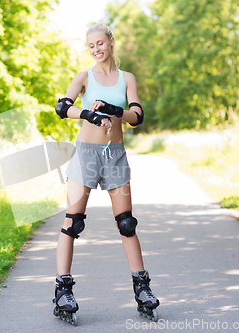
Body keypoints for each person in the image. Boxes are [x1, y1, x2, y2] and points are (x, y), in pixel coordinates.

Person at [52, 23, 160, 326]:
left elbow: (137, 116)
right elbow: (62, 107)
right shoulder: (83, 77)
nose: (96, 49)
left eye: (101, 43)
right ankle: (63, 290)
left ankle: (143, 288)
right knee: (72, 222)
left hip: (115, 157)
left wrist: (115, 109)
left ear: (111, 43)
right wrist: (87, 113)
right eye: (91, 46)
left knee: (126, 223)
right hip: (86, 155)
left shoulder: (127, 79)